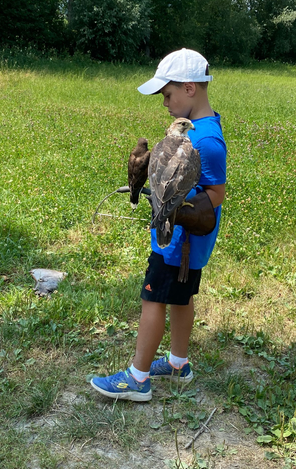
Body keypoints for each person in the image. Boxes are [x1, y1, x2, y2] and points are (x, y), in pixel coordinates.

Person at [91, 48, 227, 401]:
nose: (164, 103)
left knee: (153, 299)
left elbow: (216, 192)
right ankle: (179, 363)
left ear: (189, 88)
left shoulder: (206, 140)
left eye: (167, 95)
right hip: (185, 244)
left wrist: (172, 211)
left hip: (178, 242)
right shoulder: (206, 128)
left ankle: (137, 378)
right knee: (181, 298)